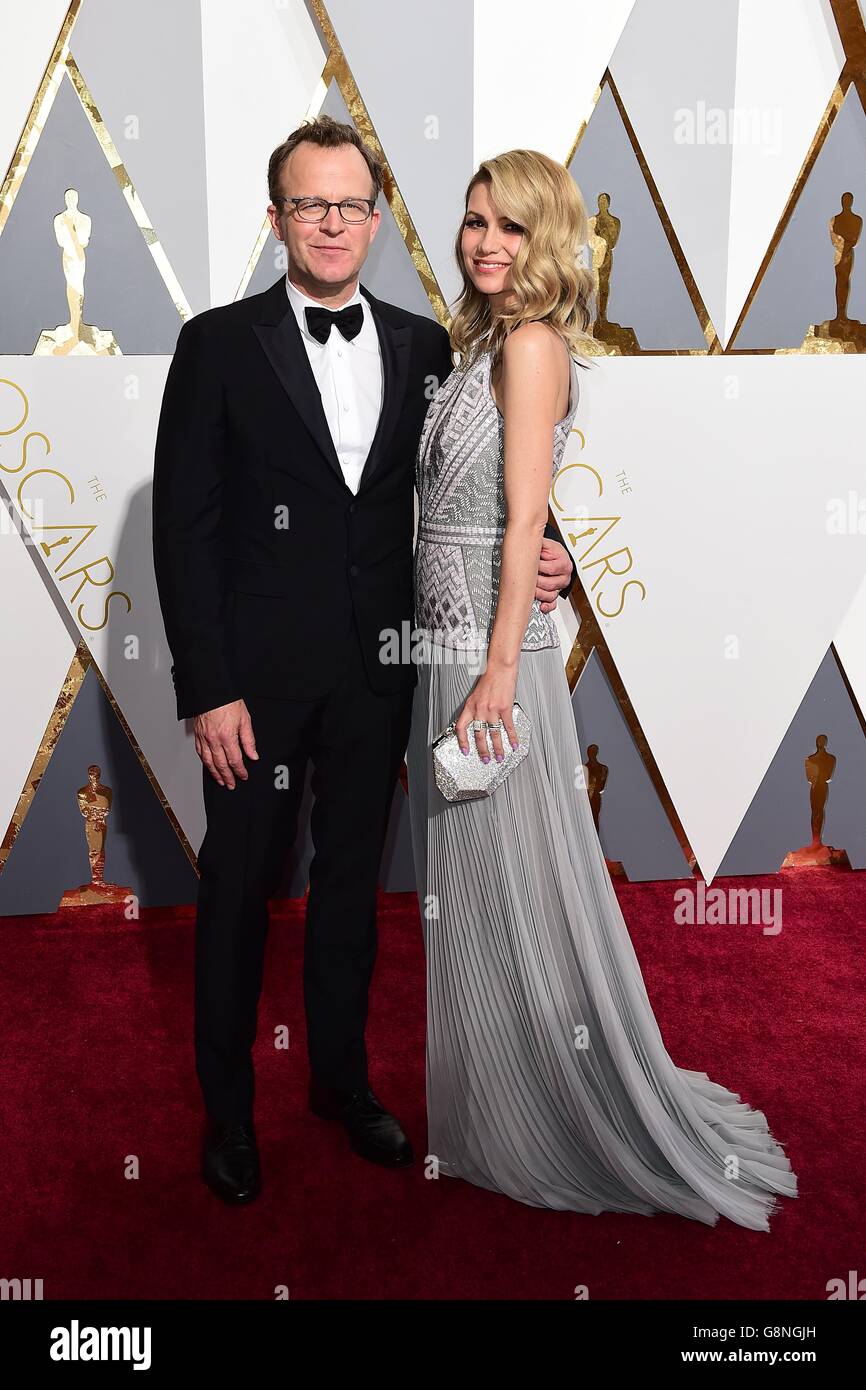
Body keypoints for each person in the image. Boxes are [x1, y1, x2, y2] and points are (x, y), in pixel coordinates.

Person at [151, 115, 576, 1205]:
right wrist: (207, 688)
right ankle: (230, 1115)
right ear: (277, 217)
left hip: (381, 673)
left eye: (350, 205)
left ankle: (341, 1083)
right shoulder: (215, 345)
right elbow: (185, 532)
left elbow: (479, 491)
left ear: (376, 221)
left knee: (349, 889)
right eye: (309, 204)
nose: (331, 223)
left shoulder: (425, 345)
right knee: (241, 892)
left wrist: (553, 553)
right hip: (253, 687)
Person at [405, 148, 799, 1230]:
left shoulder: (530, 345)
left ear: (548, 241)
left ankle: (543, 1103)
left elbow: (523, 513)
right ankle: (494, 1095)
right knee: (473, 877)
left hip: (494, 655)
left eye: (510, 228)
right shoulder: (480, 340)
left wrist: (495, 669)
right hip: (448, 640)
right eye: (475, 220)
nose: (485, 242)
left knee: (513, 870)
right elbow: (469, 502)